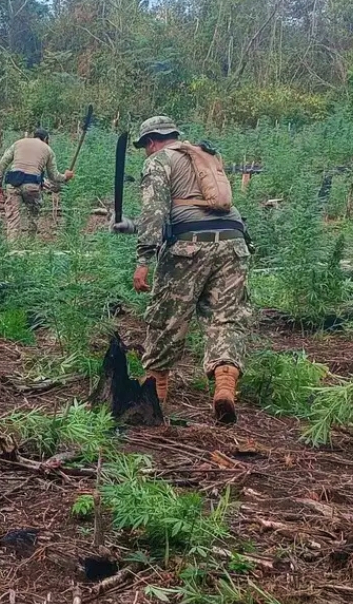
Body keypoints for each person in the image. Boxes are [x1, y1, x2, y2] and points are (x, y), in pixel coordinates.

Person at [112, 116, 250, 424]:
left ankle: (155, 394)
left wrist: (143, 260)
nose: (146, 152)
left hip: (189, 247)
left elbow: (156, 212)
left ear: (151, 142)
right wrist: (132, 226)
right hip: (234, 242)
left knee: (167, 318)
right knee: (225, 317)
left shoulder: (159, 161)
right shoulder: (205, 156)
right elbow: (194, 209)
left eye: (145, 147)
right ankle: (225, 383)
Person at [0, 129, 74, 239]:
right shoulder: (48, 150)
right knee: (33, 216)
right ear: (46, 139)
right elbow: (54, 176)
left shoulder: (18, 143)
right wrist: (66, 176)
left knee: (12, 217)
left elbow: (3, 162)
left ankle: (12, 249)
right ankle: (30, 246)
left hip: (13, 183)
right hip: (31, 186)